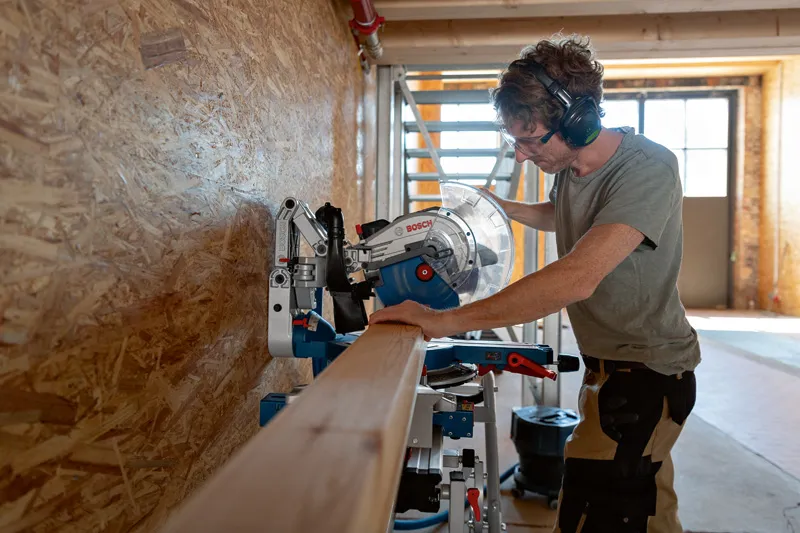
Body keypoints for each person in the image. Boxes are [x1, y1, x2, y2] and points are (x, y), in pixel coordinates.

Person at [370, 34, 700, 532]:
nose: (522, 157)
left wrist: (443, 321)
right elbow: (561, 215)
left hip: (648, 371)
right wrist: (504, 210)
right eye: (515, 142)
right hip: (608, 369)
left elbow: (578, 277)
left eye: (530, 140)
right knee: (641, 505)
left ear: (578, 121)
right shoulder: (570, 169)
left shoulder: (647, 168)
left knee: (605, 514)